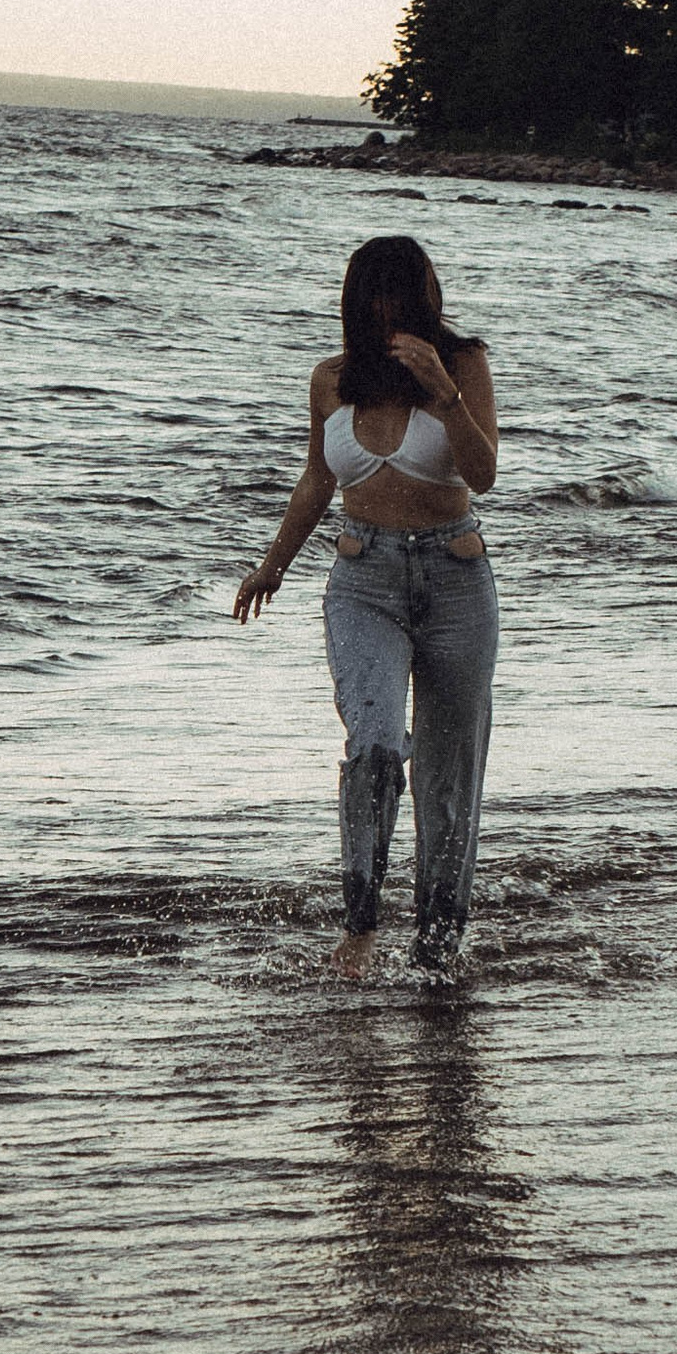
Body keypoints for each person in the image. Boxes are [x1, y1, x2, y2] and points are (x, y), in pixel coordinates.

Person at [233, 234, 499, 974]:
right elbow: (318, 481)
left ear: (424, 299)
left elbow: (483, 477)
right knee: (376, 742)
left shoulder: (464, 365)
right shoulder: (329, 380)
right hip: (362, 582)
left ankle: (438, 949)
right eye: (374, 297)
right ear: (355, 303)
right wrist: (272, 565)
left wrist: (446, 398)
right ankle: (360, 925)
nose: (388, 311)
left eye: (402, 296)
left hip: (456, 581)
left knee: (450, 775)